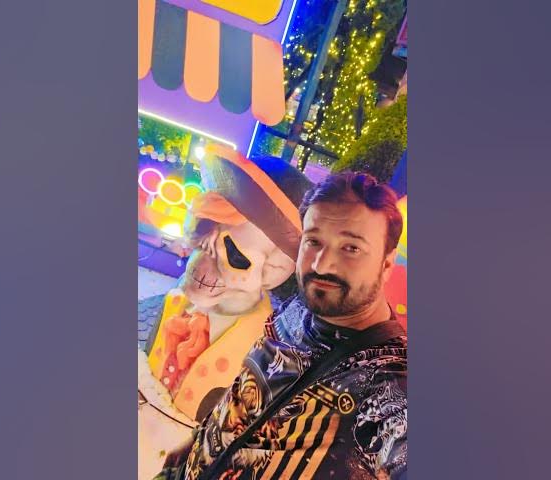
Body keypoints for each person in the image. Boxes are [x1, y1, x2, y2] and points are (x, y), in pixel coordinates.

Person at [156, 172, 407, 480]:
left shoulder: (395, 387)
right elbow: (248, 385)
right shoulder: (298, 308)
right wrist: (200, 441)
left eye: (350, 248)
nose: (321, 264)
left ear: (386, 263)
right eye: (313, 241)